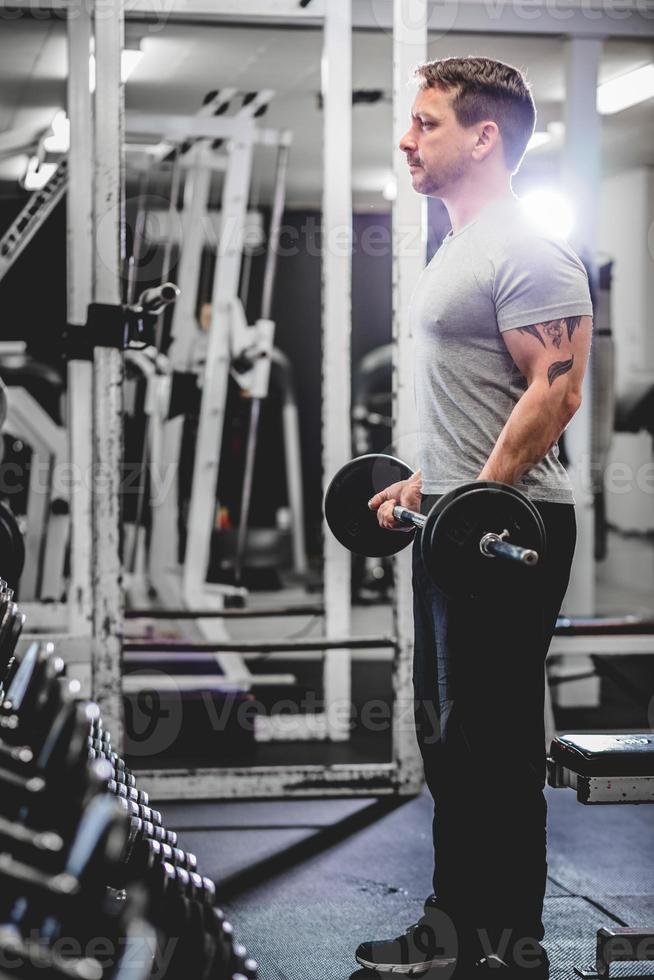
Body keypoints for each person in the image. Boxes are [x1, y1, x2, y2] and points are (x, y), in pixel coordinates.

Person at [357, 57, 593, 978]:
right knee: (452, 740)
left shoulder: (528, 247)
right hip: (461, 519)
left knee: (491, 746)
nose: (407, 139)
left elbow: (558, 391)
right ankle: (455, 927)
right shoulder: (456, 246)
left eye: (427, 124)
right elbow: (479, 401)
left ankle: (503, 947)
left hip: (510, 530)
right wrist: (427, 481)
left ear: (484, 135)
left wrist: (472, 497)